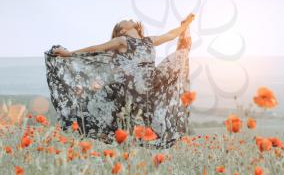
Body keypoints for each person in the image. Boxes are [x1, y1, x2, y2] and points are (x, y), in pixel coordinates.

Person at [44, 13, 195, 149]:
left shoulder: (150, 40)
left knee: (179, 57)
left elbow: (170, 34)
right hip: (133, 86)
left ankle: (144, 133)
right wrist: (70, 54)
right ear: (122, 30)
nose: (128, 18)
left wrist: (185, 25)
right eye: (124, 21)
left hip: (150, 84)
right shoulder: (123, 40)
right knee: (126, 123)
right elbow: (97, 48)